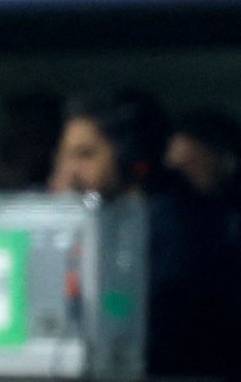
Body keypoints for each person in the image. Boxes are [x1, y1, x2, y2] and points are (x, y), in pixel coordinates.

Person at [50, 89, 236, 377]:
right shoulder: (105, 221)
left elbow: (127, 313)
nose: (70, 173)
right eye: (65, 156)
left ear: (130, 156)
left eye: (85, 155)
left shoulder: (176, 226)